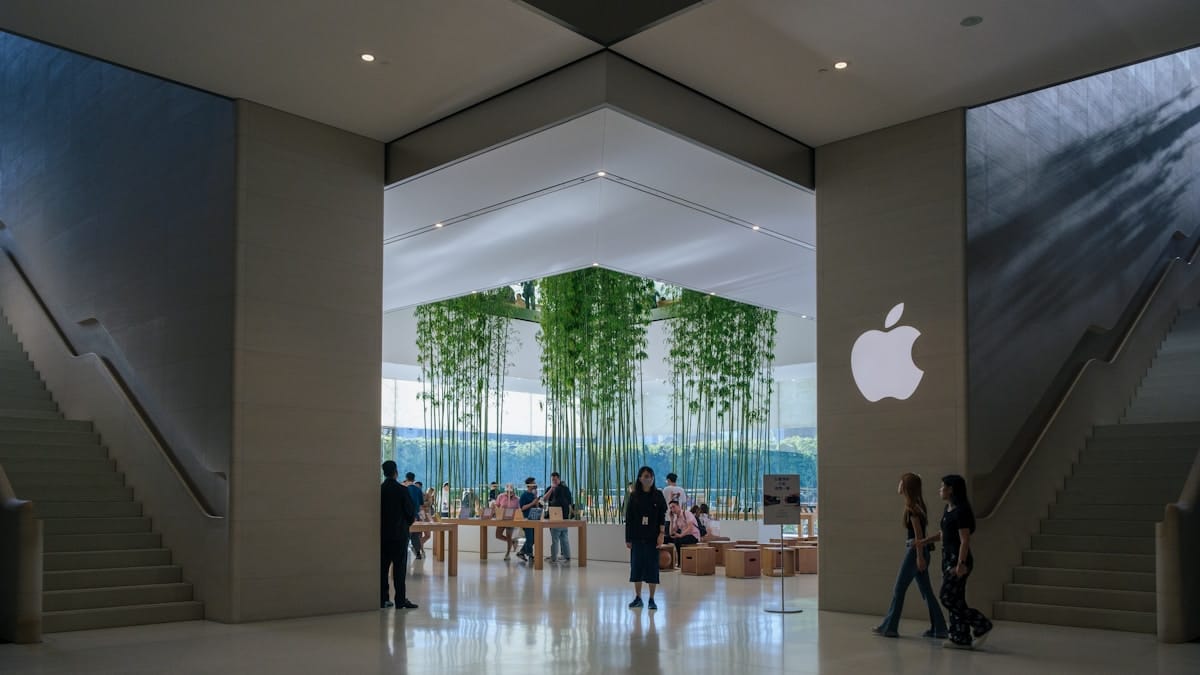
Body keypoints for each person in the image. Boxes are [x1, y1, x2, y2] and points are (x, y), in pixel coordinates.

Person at [919, 474, 993, 649]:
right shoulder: (948, 509)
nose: (940, 490)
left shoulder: (961, 511)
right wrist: (925, 541)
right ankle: (960, 637)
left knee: (947, 597)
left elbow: (964, 540)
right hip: (947, 559)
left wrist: (961, 564)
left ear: (951, 489)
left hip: (958, 560)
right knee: (957, 598)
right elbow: (944, 534)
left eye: (942, 486)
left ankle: (981, 623)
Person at [872, 473, 948, 639]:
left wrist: (919, 557)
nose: (898, 485)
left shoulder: (911, 508)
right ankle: (940, 628)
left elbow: (918, 536)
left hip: (914, 551)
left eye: (901, 482)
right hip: (920, 551)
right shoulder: (919, 506)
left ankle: (890, 627)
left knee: (899, 589)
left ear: (906, 487)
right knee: (927, 592)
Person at [625, 466, 667, 610]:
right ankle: (637, 597)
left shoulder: (658, 495)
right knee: (636, 566)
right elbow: (629, 518)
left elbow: (662, 517)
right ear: (639, 478)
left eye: (650, 476)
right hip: (637, 536)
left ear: (653, 478)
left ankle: (652, 598)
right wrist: (628, 538)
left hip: (652, 537)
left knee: (652, 567)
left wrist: (662, 534)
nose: (647, 478)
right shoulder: (634, 496)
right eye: (645, 476)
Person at [380, 461, 418, 610]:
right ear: (396, 472)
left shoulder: (380, 490)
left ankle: (383, 598)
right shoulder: (402, 490)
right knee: (399, 569)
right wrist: (405, 524)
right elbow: (410, 512)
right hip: (399, 535)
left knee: (383, 568)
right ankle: (400, 600)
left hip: (382, 535)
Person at [543, 471, 573, 564]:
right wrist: (551, 489)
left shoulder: (565, 489)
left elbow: (570, 501)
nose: (554, 481)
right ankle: (565, 556)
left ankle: (555, 557)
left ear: (559, 479)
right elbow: (544, 499)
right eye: (553, 480)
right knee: (562, 536)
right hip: (553, 516)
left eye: (555, 480)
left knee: (558, 537)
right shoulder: (550, 488)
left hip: (562, 516)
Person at [665, 500, 700, 565]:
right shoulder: (676, 518)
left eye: (673, 507)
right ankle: (667, 562)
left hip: (693, 536)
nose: (672, 509)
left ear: (679, 506)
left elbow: (690, 528)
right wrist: (671, 520)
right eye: (670, 508)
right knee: (665, 538)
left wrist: (680, 535)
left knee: (677, 540)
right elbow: (671, 533)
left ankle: (680, 562)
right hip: (684, 536)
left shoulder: (687, 513)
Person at [517, 477, 542, 562]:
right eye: (533, 483)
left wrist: (536, 500)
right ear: (529, 485)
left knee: (534, 538)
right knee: (530, 538)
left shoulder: (533, 495)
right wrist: (532, 503)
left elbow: (537, 506)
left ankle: (522, 552)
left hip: (535, 518)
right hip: (527, 518)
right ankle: (530, 555)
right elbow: (522, 508)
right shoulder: (524, 495)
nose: (535, 484)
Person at [402, 472, 426, 559]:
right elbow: (421, 505)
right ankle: (418, 553)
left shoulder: (404, 489)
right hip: (415, 516)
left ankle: (403, 553)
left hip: (404, 516)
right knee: (415, 535)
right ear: (414, 479)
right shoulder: (418, 490)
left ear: (406, 478)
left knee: (405, 535)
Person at [495, 483, 521, 560]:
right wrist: (497, 510)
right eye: (507, 491)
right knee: (498, 535)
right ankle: (513, 541)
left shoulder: (517, 499)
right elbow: (497, 505)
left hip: (511, 520)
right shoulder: (501, 496)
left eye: (510, 492)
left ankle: (508, 553)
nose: (509, 493)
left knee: (509, 535)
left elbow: (519, 510)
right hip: (502, 519)